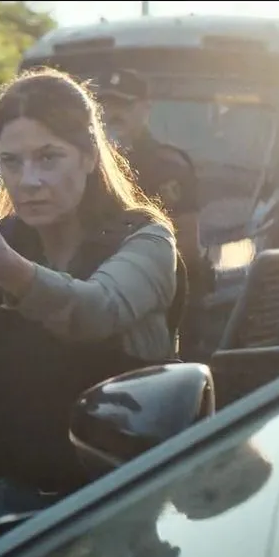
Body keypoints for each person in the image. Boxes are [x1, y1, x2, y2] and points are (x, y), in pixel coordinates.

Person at [0, 67, 183, 520]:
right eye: (11, 162)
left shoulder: (147, 239)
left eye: (49, 158)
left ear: (88, 156)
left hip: (122, 498)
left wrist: (7, 269)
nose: (29, 180)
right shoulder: (7, 236)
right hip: (16, 492)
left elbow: (96, 311)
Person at [94, 68, 208, 359]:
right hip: (99, 291)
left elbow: (187, 248)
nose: (112, 113)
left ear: (145, 109)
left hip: (159, 295)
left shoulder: (168, 165)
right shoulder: (85, 164)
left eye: (123, 104)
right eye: (105, 104)